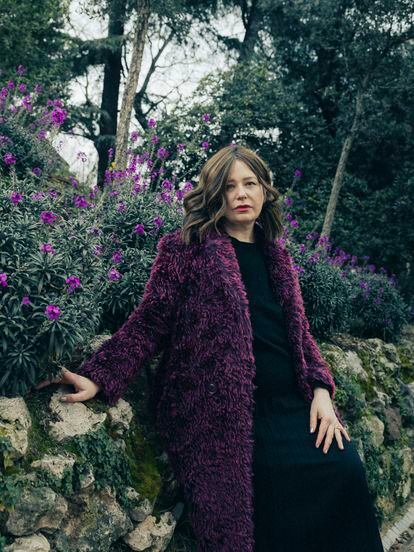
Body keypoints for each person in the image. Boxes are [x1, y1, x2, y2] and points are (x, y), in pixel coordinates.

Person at [35, 145, 385, 551]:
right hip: (224, 412)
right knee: (265, 493)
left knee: (344, 469)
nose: (241, 194)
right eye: (230, 185)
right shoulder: (186, 248)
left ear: (264, 191)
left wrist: (322, 391)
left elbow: (300, 333)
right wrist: (101, 375)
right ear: (215, 194)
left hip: (293, 404)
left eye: (250, 184)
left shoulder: (278, 256)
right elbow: (150, 321)